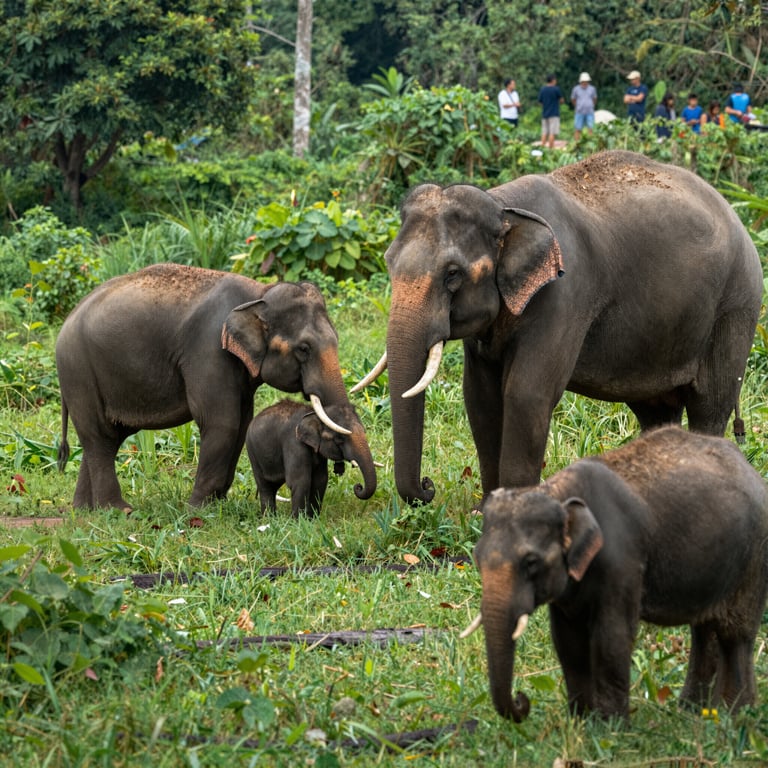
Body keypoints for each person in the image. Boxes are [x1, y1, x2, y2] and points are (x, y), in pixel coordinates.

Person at [538, 73, 564, 148]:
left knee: (544, 132)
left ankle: (542, 148)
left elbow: (540, 102)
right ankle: (551, 149)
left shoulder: (543, 89)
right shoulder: (556, 89)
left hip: (545, 114)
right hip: (554, 113)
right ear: (553, 80)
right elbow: (561, 100)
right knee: (552, 133)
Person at [570, 72, 597, 140]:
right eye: (583, 81)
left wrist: (590, 105)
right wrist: (577, 106)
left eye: (586, 81)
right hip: (579, 111)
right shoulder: (576, 89)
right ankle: (577, 144)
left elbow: (594, 99)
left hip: (589, 111)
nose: (585, 83)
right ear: (581, 81)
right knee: (577, 128)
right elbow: (573, 99)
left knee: (591, 128)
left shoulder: (592, 89)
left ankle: (590, 143)